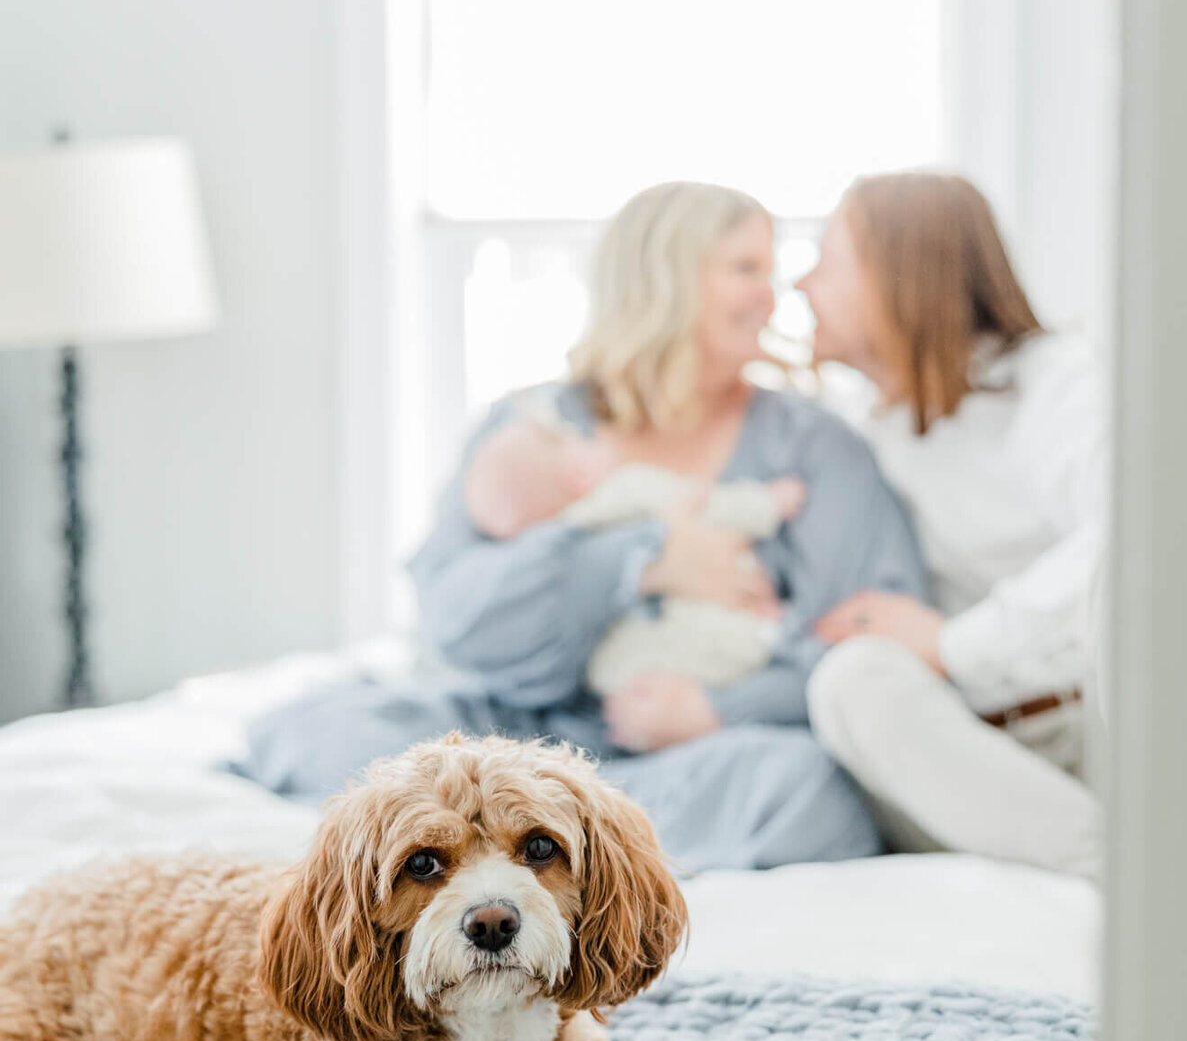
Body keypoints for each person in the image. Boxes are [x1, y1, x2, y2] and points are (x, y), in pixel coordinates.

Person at [240, 181, 928, 872]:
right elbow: (456, 620)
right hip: (521, 735)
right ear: (665, 277)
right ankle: (550, 834)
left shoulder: (813, 446)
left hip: (707, 747)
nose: (771, 298)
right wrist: (642, 559)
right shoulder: (534, 429)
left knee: (811, 792)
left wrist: (715, 709)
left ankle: (550, 842)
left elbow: (874, 642)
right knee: (319, 730)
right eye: (746, 269)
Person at [800, 171, 1104, 880]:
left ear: (900, 272)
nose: (803, 284)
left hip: (1084, 724)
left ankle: (1124, 877)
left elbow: (1127, 549)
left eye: (828, 260)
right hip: (964, 757)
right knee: (849, 683)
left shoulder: (1054, 383)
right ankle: (1102, 863)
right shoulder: (859, 436)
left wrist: (954, 646)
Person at [462, 401, 806, 694]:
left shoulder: (564, 547)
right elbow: (709, 505)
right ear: (577, 474)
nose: (593, 438)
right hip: (724, 600)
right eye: (580, 440)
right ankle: (779, 636)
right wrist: (768, 503)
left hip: (639, 661)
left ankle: (767, 640)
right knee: (736, 628)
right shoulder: (626, 487)